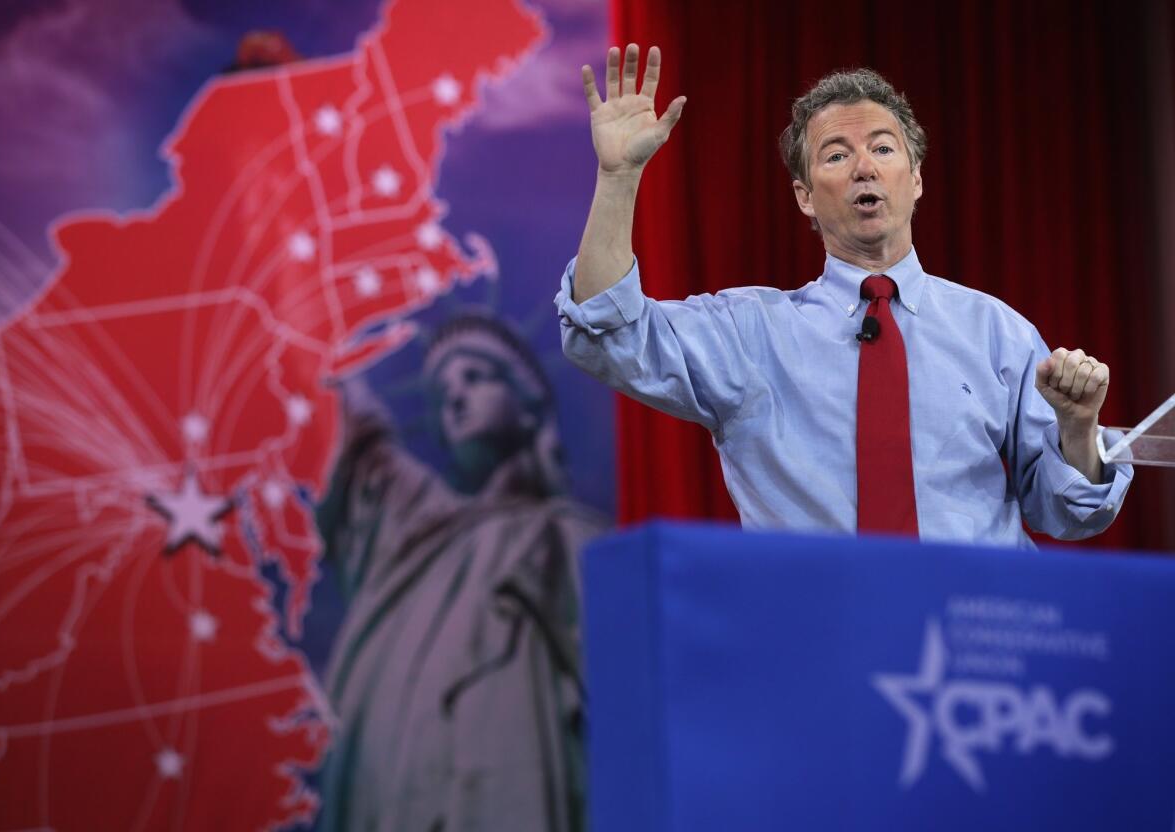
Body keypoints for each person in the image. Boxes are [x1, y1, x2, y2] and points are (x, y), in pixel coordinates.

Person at [556, 44, 1132, 545]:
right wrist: (618, 179)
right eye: (836, 155)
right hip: (816, 642)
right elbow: (608, 333)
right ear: (805, 197)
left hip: (967, 645)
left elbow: (1068, 513)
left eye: (883, 149)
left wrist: (1077, 428)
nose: (864, 167)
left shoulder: (998, 332)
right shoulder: (750, 333)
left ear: (918, 178)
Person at [314, 313, 606, 831]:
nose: (455, 397)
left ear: (528, 405)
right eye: (444, 390)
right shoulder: (416, 533)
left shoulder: (571, 539)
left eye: (476, 376)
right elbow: (360, 447)